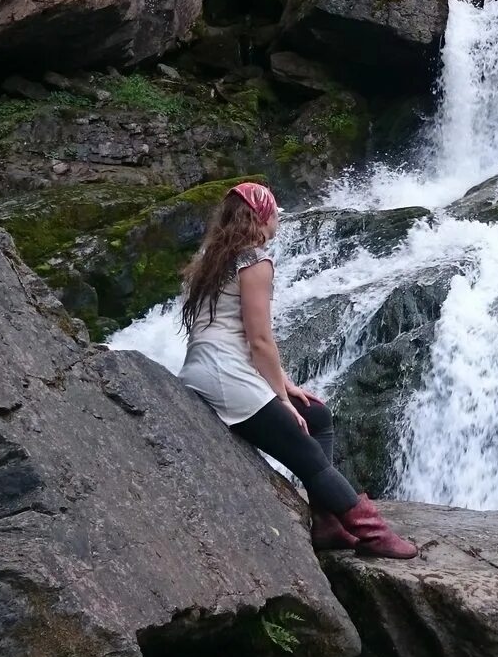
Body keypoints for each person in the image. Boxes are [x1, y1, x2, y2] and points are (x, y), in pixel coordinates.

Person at [177, 181, 417, 558]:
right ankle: (372, 532)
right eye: (275, 214)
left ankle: (326, 524)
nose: (278, 222)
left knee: (317, 415)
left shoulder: (214, 258)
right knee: (305, 449)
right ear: (263, 216)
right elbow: (259, 340)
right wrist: (280, 399)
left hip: (209, 370)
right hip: (227, 380)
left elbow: (239, 335)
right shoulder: (255, 261)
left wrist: (286, 386)